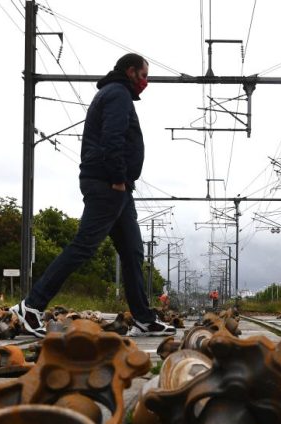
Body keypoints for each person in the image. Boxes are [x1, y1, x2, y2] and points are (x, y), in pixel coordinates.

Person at [11, 53, 175, 338]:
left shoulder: (115, 93)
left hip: (117, 187)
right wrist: (117, 179)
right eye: (143, 75)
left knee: (133, 251)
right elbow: (113, 137)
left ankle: (143, 318)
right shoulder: (118, 94)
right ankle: (31, 306)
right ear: (130, 71)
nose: (145, 82)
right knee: (84, 246)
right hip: (108, 184)